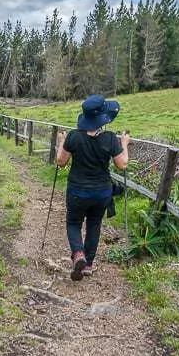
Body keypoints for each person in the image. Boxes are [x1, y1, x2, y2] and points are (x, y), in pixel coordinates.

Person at [56, 94, 130, 281]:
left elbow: (61, 162)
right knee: (94, 225)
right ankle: (88, 264)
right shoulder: (110, 138)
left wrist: (60, 142)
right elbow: (122, 164)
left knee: (73, 223)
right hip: (102, 192)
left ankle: (78, 254)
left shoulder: (73, 137)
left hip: (77, 191)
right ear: (102, 118)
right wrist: (124, 144)